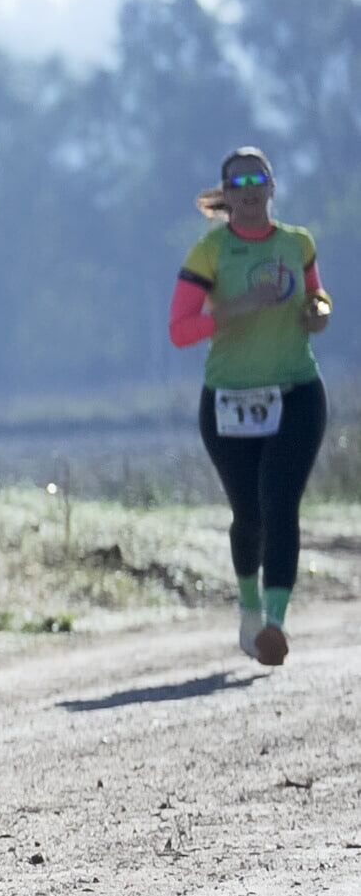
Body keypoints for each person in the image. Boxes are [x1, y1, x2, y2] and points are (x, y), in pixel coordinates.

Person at [170, 146, 332, 666]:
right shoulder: (210, 252)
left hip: (297, 391)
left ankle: (276, 624)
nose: (249, 190)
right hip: (229, 401)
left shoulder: (297, 242)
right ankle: (249, 606)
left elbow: (318, 295)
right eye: (237, 183)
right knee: (250, 513)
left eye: (257, 178)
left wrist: (318, 311)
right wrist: (235, 307)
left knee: (281, 504)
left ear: (271, 188)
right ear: (227, 196)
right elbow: (179, 331)